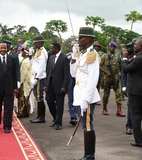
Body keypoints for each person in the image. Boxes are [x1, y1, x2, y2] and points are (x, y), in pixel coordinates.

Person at [70, 27, 100, 160]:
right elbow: (73, 74)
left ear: (87, 39)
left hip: (86, 95)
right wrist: (74, 57)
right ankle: (88, 154)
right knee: (85, 125)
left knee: (87, 124)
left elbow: (93, 79)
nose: (79, 40)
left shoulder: (92, 54)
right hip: (79, 93)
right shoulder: (82, 54)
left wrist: (86, 99)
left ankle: (89, 155)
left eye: (81, 38)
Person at [45, 42, 70, 130]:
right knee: (49, 100)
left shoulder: (64, 58)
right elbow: (48, 72)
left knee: (59, 105)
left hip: (60, 85)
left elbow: (67, 74)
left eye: (52, 48)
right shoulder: (51, 57)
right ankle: (55, 117)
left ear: (56, 48)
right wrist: (45, 84)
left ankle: (59, 122)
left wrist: (64, 86)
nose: (50, 50)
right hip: (50, 84)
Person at [122, 38, 142, 147]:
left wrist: (125, 58)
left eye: (136, 44)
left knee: (135, 115)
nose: (134, 46)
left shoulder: (139, 59)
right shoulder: (138, 57)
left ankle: (139, 140)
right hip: (139, 90)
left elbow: (126, 69)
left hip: (136, 91)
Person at [100, 42, 125, 117]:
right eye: (110, 47)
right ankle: (104, 109)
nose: (112, 48)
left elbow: (121, 67)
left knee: (118, 93)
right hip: (107, 77)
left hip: (116, 77)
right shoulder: (104, 56)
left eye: (113, 47)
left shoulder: (118, 57)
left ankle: (119, 110)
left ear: (115, 48)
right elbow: (99, 66)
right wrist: (106, 72)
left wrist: (120, 73)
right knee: (106, 94)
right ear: (108, 47)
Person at [30, 35, 48, 123]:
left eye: (36, 43)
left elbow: (41, 67)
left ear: (40, 43)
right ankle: (39, 116)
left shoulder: (42, 53)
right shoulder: (38, 51)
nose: (35, 44)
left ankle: (41, 117)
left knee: (39, 97)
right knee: (38, 97)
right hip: (36, 76)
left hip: (39, 77)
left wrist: (36, 79)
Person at [17, 40, 33, 118]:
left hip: (25, 81)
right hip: (27, 81)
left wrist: (20, 82)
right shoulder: (27, 60)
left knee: (23, 97)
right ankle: (25, 112)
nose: (21, 53)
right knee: (26, 97)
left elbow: (23, 73)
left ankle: (22, 112)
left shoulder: (26, 61)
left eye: (22, 52)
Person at [121, 47, 134, 135]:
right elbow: (124, 73)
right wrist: (124, 87)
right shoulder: (128, 61)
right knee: (130, 107)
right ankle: (129, 126)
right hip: (132, 88)